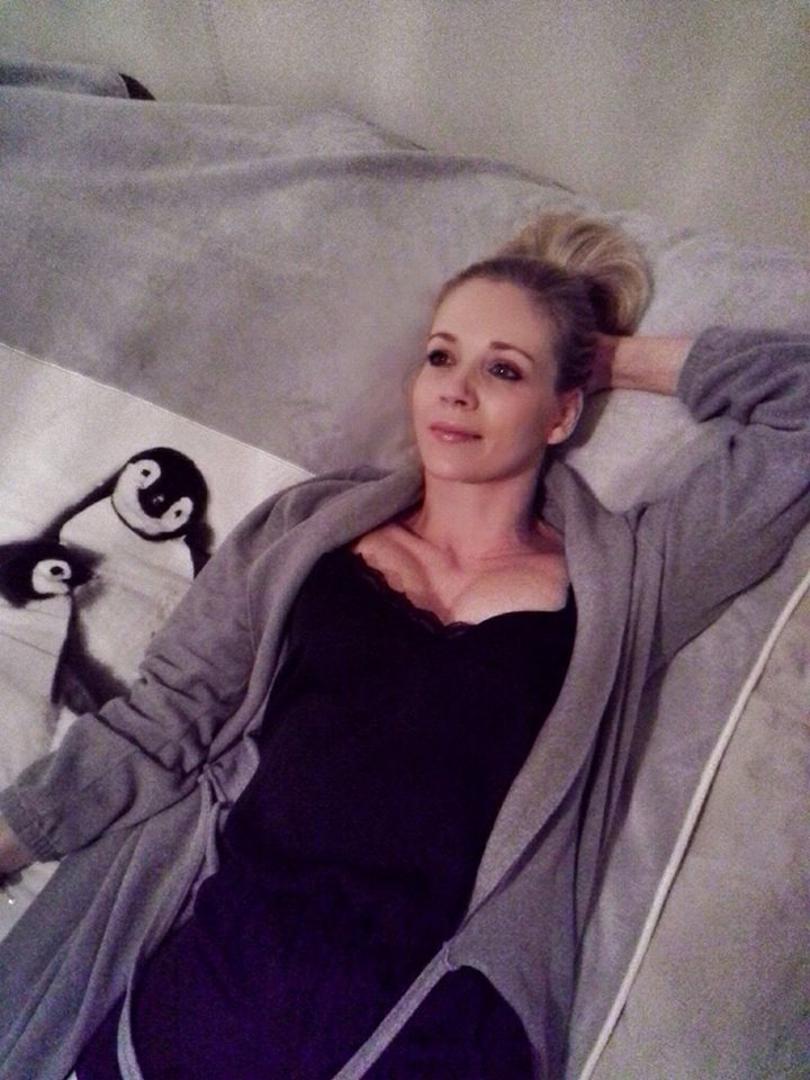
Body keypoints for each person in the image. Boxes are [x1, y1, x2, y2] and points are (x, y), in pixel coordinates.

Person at [0, 212, 807, 1080]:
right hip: (198, 990)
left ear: (564, 411)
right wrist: (16, 834)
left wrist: (604, 356)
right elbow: (165, 719)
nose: (456, 390)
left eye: (503, 369)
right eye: (441, 356)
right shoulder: (306, 528)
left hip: (432, 1025)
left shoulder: (628, 580)